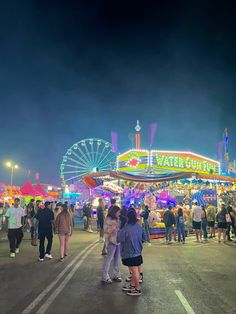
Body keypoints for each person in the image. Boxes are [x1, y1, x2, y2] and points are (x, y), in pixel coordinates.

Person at [118, 209, 145, 296]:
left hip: (129, 252)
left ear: (127, 218)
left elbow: (119, 239)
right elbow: (144, 238)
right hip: (138, 251)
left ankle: (137, 288)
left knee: (134, 270)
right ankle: (133, 285)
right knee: (135, 269)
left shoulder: (126, 228)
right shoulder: (139, 227)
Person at [101, 205, 121, 284]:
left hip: (118, 241)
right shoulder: (108, 219)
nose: (119, 213)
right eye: (118, 212)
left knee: (116, 259)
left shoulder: (117, 219)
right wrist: (114, 226)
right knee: (108, 259)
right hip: (111, 241)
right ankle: (105, 276)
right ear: (114, 212)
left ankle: (116, 274)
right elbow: (106, 231)